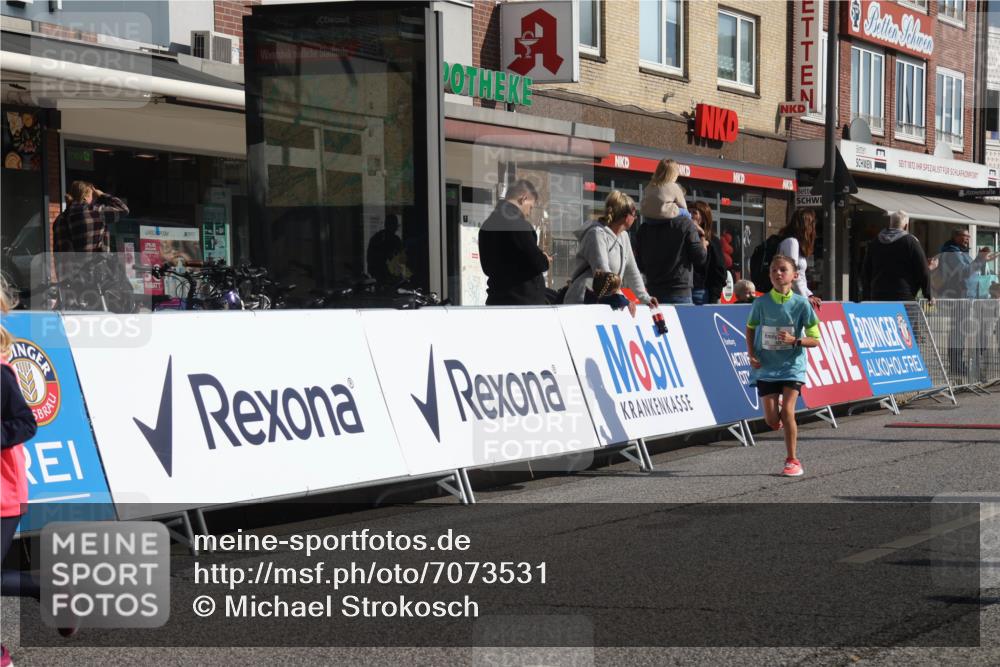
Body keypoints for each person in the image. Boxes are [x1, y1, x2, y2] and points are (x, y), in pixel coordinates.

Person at [745, 255, 821, 477]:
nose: (778, 274)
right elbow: (750, 328)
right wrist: (751, 354)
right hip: (767, 366)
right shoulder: (760, 303)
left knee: (788, 411)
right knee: (771, 421)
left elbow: (815, 339)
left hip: (792, 366)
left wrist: (795, 341)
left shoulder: (801, 304)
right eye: (773, 271)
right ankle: (777, 413)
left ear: (794, 275)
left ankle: (792, 460)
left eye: (783, 270)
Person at [565, 191, 658, 315]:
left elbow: (632, 270)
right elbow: (603, 272)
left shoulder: (624, 236)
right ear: (626, 217)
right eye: (634, 214)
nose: (636, 218)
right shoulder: (597, 234)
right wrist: (621, 298)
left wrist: (645, 298)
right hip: (583, 300)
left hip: (604, 300)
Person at [478, 179, 550, 306]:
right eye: (530, 207)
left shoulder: (487, 225)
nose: (529, 213)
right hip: (522, 303)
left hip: (496, 299)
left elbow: (487, 268)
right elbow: (536, 262)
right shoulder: (518, 225)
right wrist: (544, 259)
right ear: (523, 198)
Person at [636, 178, 708, 304]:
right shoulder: (685, 224)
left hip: (653, 291)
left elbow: (640, 263)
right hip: (679, 291)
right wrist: (702, 238)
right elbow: (700, 257)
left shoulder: (644, 228)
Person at [859, 211, 932, 302]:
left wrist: (867, 295)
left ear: (890, 224)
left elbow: (866, 271)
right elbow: (923, 270)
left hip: (878, 296)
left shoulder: (875, 242)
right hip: (903, 296)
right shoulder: (910, 242)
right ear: (906, 226)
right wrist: (928, 295)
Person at [776, 209, 822, 310]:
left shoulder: (794, 243)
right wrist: (804, 299)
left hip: (795, 299)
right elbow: (792, 275)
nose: (813, 229)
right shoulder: (792, 243)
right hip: (790, 301)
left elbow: (799, 275)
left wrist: (809, 294)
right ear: (805, 225)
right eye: (811, 224)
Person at [935, 229, 997, 299]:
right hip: (957, 297)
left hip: (966, 296)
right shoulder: (952, 253)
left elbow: (970, 268)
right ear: (956, 237)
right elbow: (964, 271)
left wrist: (981, 258)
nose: (968, 238)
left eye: (969, 236)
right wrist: (980, 260)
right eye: (965, 236)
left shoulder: (961, 252)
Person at [690, 201, 726, 305]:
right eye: (689, 212)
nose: (690, 216)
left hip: (702, 293)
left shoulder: (713, 241)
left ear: (704, 217)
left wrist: (714, 297)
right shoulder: (684, 237)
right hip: (684, 292)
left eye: (694, 213)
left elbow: (719, 270)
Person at [366, 215, 407, 285]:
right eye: (393, 225)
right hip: (384, 277)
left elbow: (401, 259)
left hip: (382, 277)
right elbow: (400, 260)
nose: (395, 228)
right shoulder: (389, 239)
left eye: (395, 225)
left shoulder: (377, 238)